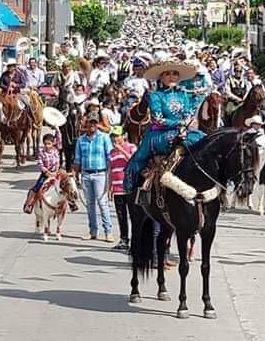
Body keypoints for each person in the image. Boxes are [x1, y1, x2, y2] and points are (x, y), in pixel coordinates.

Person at [123, 60, 204, 195]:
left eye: (174, 74)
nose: (171, 77)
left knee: (205, 139)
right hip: (160, 135)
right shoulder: (155, 95)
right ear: (161, 77)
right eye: (167, 74)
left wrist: (188, 122)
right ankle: (131, 188)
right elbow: (158, 120)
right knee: (138, 159)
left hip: (185, 131)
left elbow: (189, 114)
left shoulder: (184, 95)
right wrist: (181, 123)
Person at [74, 116, 115, 242]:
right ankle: (93, 231)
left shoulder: (104, 138)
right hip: (86, 174)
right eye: (90, 123)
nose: (92, 125)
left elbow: (110, 157)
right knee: (90, 205)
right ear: (86, 124)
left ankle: (108, 231)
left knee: (102, 203)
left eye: (94, 123)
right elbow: (77, 159)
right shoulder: (81, 140)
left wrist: (111, 177)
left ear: (97, 124)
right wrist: (75, 175)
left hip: (100, 174)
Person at [108, 131, 134, 251]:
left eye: (117, 136)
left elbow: (134, 161)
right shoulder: (112, 152)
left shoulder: (131, 147)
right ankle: (124, 239)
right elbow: (110, 170)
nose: (115, 139)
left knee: (134, 215)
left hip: (129, 187)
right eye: (113, 137)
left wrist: (122, 150)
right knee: (121, 215)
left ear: (123, 136)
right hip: (117, 188)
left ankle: (136, 240)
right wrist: (109, 187)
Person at [25, 133, 62, 214]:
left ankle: (71, 203)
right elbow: (40, 164)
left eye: (49, 144)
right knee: (37, 188)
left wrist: (57, 129)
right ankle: (29, 204)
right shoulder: (41, 153)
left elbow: (59, 140)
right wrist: (47, 172)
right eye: (45, 144)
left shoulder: (56, 150)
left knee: (66, 186)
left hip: (56, 174)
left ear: (53, 143)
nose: (47, 146)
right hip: (46, 175)